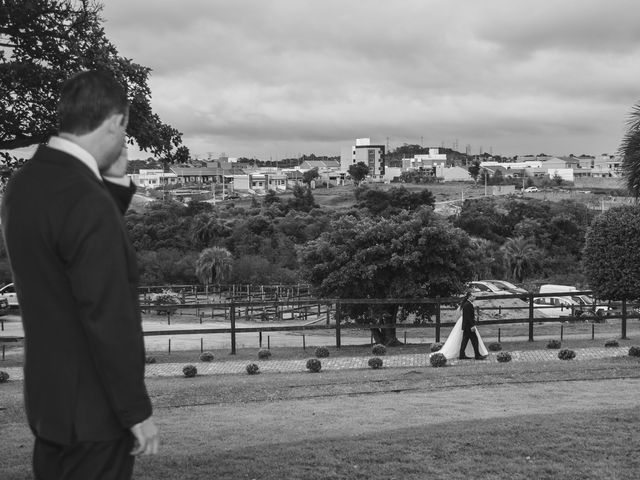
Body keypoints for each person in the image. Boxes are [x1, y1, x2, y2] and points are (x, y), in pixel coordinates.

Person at [1, 70, 159, 480]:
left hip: (50, 405)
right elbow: (107, 314)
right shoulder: (86, 201)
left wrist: (115, 189)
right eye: (125, 130)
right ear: (116, 122)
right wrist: (135, 410)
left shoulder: (24, 184)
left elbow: (68, 250)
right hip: (94, 413)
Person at [433, 291, 488, 361]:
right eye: (473, 296)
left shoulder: (467, 304)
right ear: (469, 296)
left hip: (466, 326)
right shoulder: (468, 305)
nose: (475, 297)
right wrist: (472, 326)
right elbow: (468, 317)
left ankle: (462, 354)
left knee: (465, 340)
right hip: (468, 326)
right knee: (474, 340)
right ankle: (477, 355)